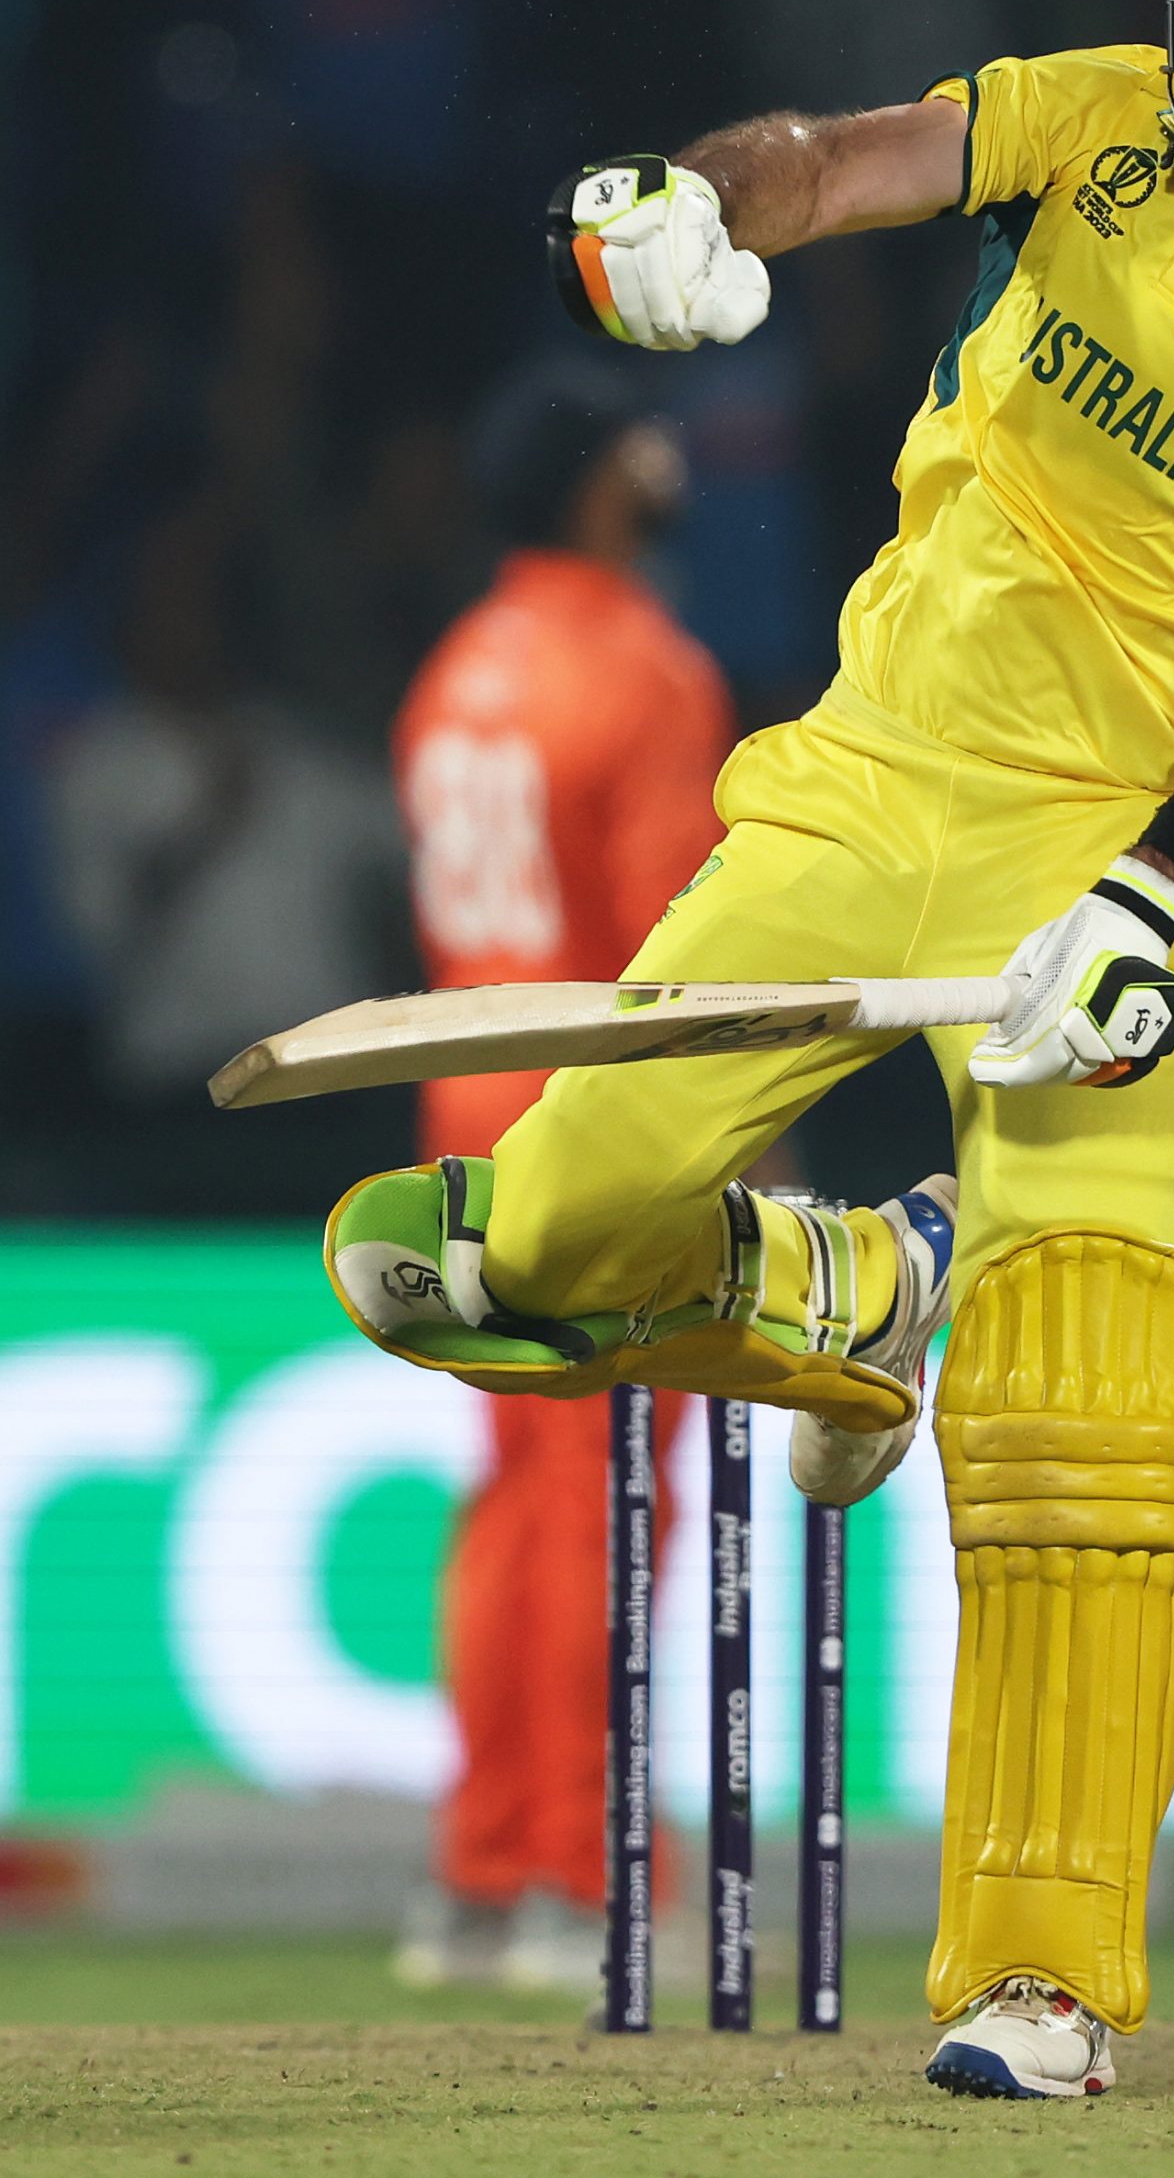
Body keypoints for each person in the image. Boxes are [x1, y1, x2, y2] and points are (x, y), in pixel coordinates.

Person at [325, 0, 1174, 2094]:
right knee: (494, 1260)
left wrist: (1158, 891)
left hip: (1102, 866)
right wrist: (679, 203)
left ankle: (1037, 1978)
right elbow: (826, 159)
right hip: (855, 792)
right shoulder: (1088, 119)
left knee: (1085, 1373)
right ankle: (843, 1293)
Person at [387, 368, 733, 1991]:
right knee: (604, 1505)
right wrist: (748, 1145)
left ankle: (480, 1870)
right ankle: (583, 1876)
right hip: (594, 1119)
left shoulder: (458, 667)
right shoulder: (645, 668)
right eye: (636, 443)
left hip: (461, 1106)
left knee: (522, 1506)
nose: (666, 459)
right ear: (594, 485)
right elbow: (677, 949)